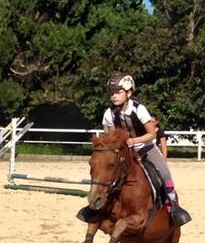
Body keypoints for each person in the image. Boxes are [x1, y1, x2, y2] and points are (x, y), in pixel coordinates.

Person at [78, 72, 191, 226]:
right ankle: (97, 207)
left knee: (164, 172)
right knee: (109, 174)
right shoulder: (109, 113)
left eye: (118, 92)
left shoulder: (139, 109)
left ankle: (173, 207)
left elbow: (151, 134)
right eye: (112, 93)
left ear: (129, 93)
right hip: (124, 151)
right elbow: (112, 137)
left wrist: (134, 141)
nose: (114, 96)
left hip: (145, 147)